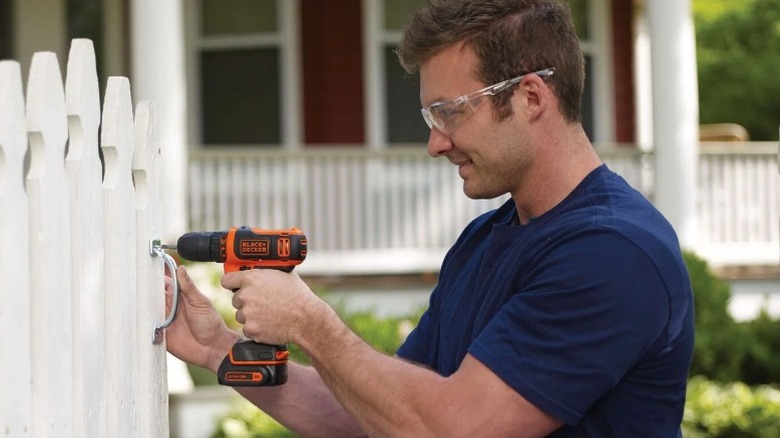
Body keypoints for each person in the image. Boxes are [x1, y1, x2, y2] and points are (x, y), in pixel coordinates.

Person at [165, 0, 695, 436]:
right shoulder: (486, 239)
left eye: (450, 112)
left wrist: (310, 323)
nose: (435, 143)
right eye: (430, 116)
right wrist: (218, 349)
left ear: (531, 96)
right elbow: (377, 417)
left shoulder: (615, 251)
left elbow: (450, 430)